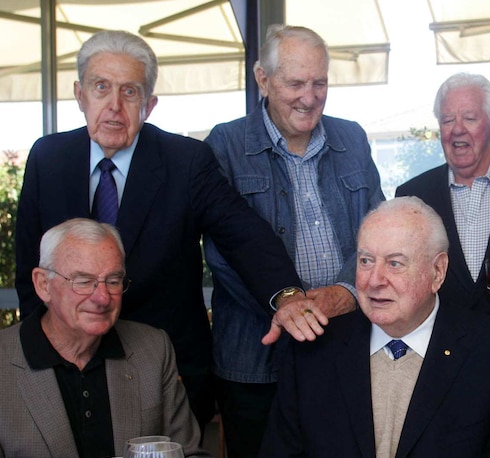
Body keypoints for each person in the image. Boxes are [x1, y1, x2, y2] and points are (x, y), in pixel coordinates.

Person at [14, 30, 312, 435]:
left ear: (149, 105)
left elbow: (241, 232)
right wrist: (41, 354)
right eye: (101, 88)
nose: (114, 107)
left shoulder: (186, 161)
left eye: (130, 92)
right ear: (80, 94)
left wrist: (287, 295)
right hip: (66, 365)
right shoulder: (47, 158)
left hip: (165, 370)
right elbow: (30, 267)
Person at [250, 197, 490, 458]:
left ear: (437, 271)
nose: (373, 280)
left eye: (395, 263)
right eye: (366, 261)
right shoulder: (313, 350)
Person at [203, 25, 384, 458]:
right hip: (255, 358)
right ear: (262, 79)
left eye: (320, 83)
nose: (310, 97)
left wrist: (346, 292)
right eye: (295, 84)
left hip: (344, 343)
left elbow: (377, 230)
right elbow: (223, 251)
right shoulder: (226, 144)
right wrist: (288, 306)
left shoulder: (351, 137)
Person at [0, 219, 214, 458]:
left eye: (113, 281)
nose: (102, 297)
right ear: (43, 284)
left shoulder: (152, 349)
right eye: (83, 281)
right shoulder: (4, 362)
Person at [395, 72, 490, 328]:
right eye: (447, 120)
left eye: (469, 118)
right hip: (442, 354)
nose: (457, 129)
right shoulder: (412, 196)